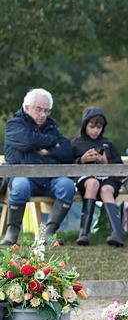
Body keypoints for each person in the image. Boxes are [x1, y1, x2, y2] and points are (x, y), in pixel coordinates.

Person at [2, 89, 76, 246]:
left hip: (49, 179)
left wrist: (47, 151)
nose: (43, 114)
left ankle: (49, 233)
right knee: (20, 186)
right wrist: (52, 141)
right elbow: (28, 141)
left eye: (46, 110)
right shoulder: (14, 125)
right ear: (26, 107)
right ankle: (12, 232)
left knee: (67, 185)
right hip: (24, 177)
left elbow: (67, 151)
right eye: (39, 109)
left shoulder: (51, 126)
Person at [71, 107, 126, 247]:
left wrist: (106, 163)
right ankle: (84, 233)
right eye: (92, 127)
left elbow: (121, 168)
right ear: (85, 126)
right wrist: (82, 160)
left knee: (106, 190)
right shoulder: (76, 144)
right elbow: (68, 166)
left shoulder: (109, 144)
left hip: (108, 179)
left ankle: (118, 234)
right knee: (92, 183)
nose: (95, 130)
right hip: (87, 179)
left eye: (99, 127)